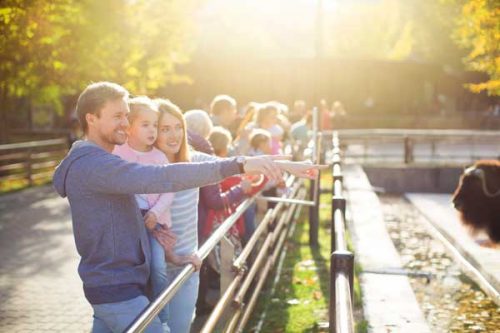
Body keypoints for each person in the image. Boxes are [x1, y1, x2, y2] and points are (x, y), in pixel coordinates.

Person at [52, 82, 296, 333]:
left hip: (118, 286)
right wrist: (241, 164)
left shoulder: (99, 161)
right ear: (91, 118)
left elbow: (132, 223)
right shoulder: (96, 166)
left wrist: (173, 256)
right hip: (117, 290)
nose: (126, 122)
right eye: (117, 116)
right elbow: (162, 177)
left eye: (126, 114)